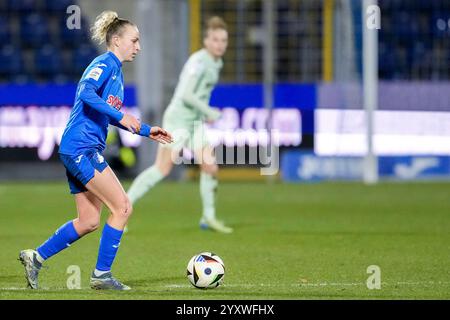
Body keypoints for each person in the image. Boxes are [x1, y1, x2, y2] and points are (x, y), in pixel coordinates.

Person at [18, 11, 172, 291]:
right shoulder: (103, 63)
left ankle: (35, 257)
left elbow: (111, 115)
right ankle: (101, 276)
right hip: (81, 147)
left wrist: (148, 130)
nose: (138, 47)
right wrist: (121, 115)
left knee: (89, 220)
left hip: (81, 148)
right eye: (134, 41)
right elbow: (85, 93)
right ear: (116, 40)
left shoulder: (117, 74)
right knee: (123, 207)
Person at [126, 16, 232, 234]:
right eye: (215, 40)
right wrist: (209, 111)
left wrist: (203, 114)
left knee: (210, 166)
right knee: (162, 168)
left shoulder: (216, 62)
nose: (220, 44)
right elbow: (185, 94)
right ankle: (122, 207)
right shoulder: (199, 62)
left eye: (223, 40)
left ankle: (208, 217)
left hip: (194, 121)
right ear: (206, 41)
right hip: (178, 119)